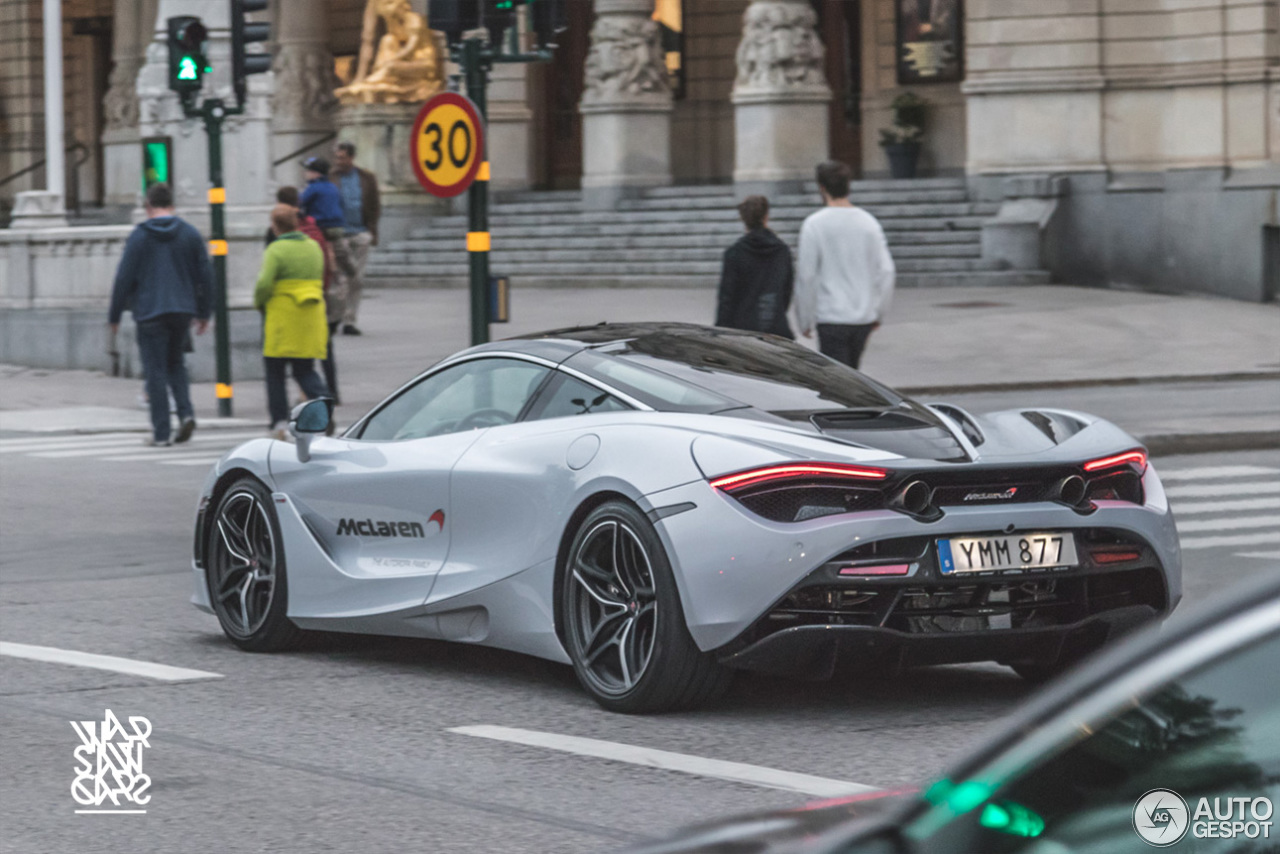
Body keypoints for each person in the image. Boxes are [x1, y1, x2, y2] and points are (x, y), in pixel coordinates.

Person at [108, 182, 211, 446]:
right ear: (172, 205)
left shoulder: (140, 236)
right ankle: (186, 413)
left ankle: (162, 433)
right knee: (176, 364)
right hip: (182, 311)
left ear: (148, 206)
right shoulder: (189, 233)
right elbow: (206, 275)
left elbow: (124, 277)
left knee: (155, 371)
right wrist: (204, 312)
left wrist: (115, 315)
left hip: (150, 311)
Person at [795, 160, 896, 370]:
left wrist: (804, 318)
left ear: (822, 188)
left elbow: (807, 275)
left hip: (831, 316)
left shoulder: (814, 224)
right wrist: (879, 312)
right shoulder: (868, 222)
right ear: (848, 186)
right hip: (863, 316)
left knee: (838, 383)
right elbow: (886, 271)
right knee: (853, 374)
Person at [255, 204, 331, 439]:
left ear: (275, 227)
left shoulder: (276, 250)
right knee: (305, 370)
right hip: (309, 315)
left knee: (275, 373)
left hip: (282, 317)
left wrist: (260, 303)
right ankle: (323, 407)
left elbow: (264, 284)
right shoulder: (313, 247)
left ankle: (278, 422)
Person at [270, 186, 341, 404]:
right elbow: (325, 267)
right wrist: (322, 290)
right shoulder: (314, 233)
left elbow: (265, 282)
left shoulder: (277, 244)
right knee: (320, 353)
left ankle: (282, 418)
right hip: (317, 300)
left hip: (285, 311)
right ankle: (329, 393)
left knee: (283, 367)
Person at [715, 195, 794, 339]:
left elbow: (726, 299)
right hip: (775, 327)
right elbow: (786, 291)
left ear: (743, 219)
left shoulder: (734, 253)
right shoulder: (782, 251)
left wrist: (719, 334)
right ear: (766, 216)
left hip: (743, 331)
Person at [329, 141, 381, 336]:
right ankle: (335, 317)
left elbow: (375, 205)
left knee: (356, 280)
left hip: (360, 233)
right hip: (338, 235)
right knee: (339, 280)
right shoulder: (330, 177)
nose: (338, 161)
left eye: (342, 157)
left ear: (351, 157)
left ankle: (350, 320)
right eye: (336, 157)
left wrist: (371, 231)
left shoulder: (366, 178)